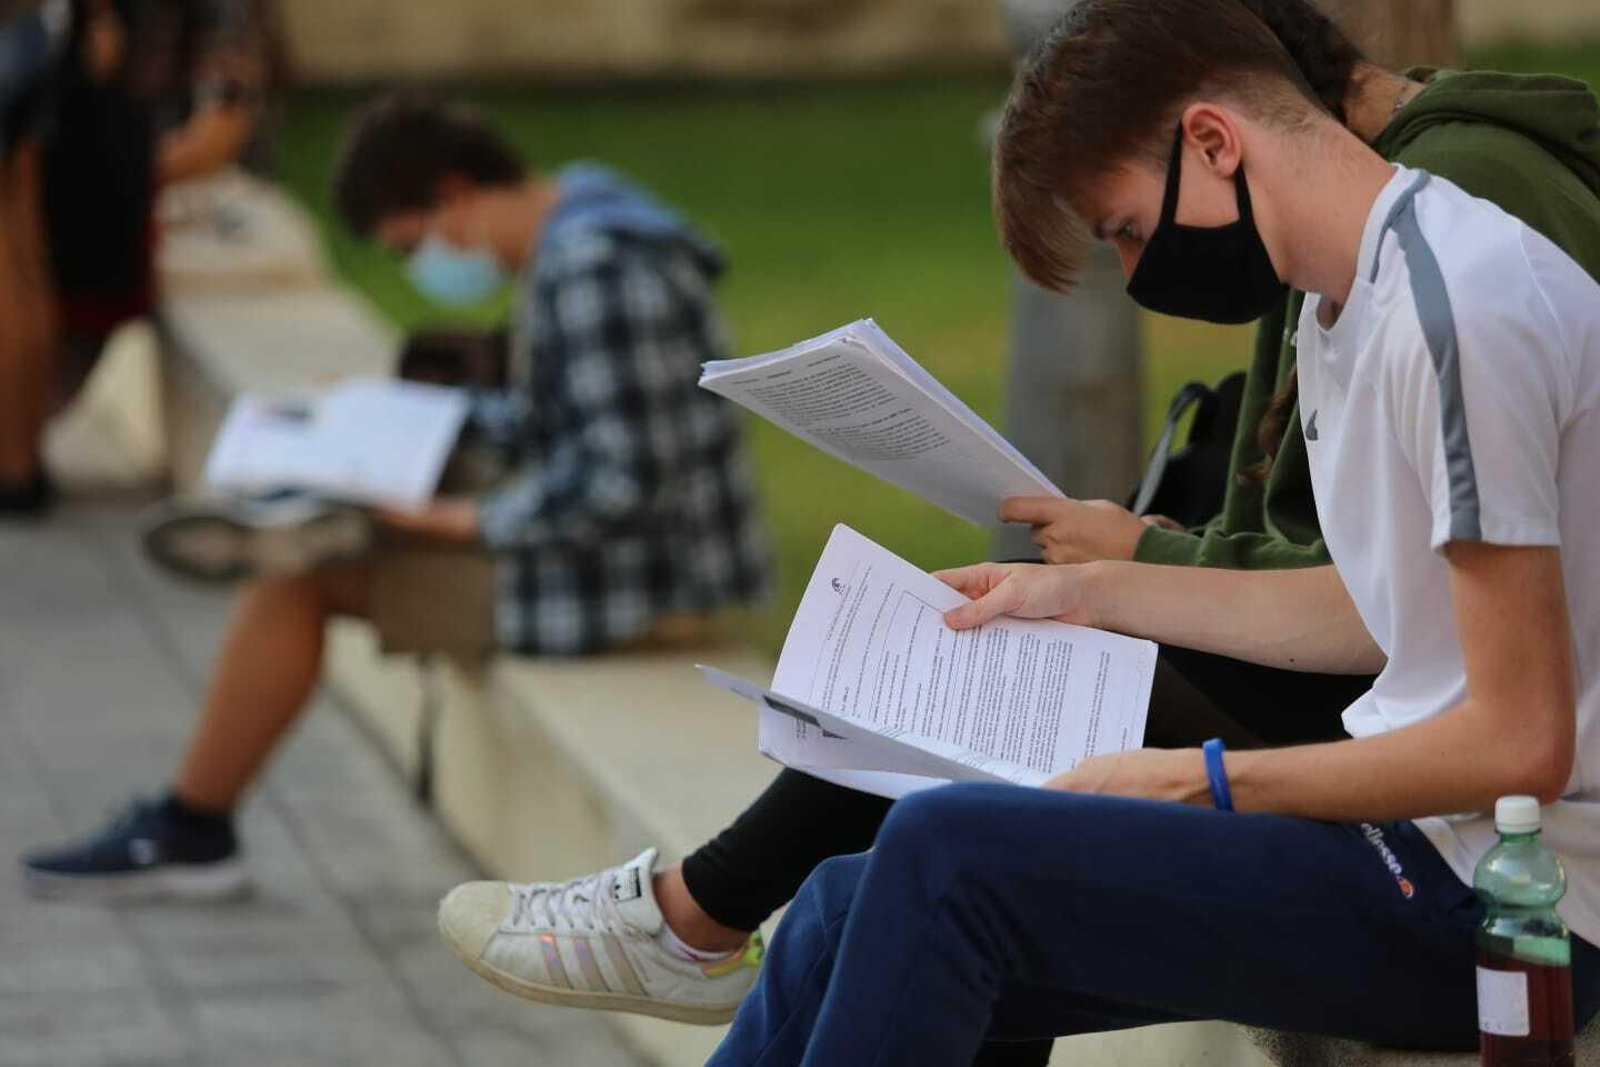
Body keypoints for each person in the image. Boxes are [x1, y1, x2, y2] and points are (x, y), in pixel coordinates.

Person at [432, 0, 1600, 1054]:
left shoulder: (1458, 306)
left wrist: (1200, 782)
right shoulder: (1349, 300)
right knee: (851, 899)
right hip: (1419, 845)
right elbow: (1372, 605)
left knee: (947, 862)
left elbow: (1520, 742)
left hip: (1512, 895)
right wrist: (1081, 593)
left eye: (1128, 229)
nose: (1139, 272)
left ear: (1210, 141)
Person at [18, 94, 772, 902]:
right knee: (322, 535)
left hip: (636, 583)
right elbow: (556, 421)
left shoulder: (595, 270)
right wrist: (395, 415)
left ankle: (192, 828)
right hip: (618, 552)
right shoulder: (579, 225)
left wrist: (468, 520)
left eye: (414, 244)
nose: (426, 267)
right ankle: (192, 815)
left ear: (452, 194)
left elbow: (625, 483)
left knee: (298, 576)